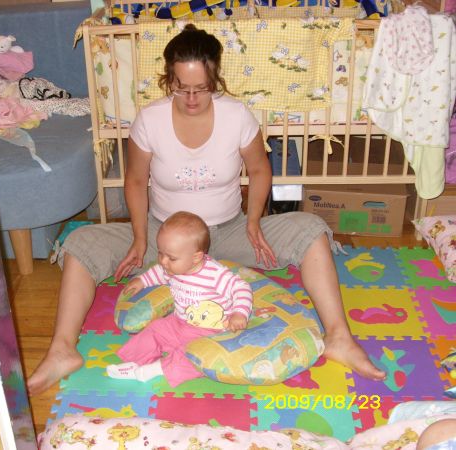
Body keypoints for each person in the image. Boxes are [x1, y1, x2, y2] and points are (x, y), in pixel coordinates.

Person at [27, 23, 386, 396]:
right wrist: (139, 238)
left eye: (201, 88)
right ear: (169, 79)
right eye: (181, 88)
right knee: (82, 243)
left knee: (310, 229)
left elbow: (260, 169)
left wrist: (254, 222)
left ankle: (339, 337)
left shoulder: (237, 115)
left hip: (228, 233)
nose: (191, 98)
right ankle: (62, 350)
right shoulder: (150, 119)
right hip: (165, 240)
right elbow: (134, 181)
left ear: (215, 79)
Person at [106, 211, 252, 387]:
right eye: (160, 253)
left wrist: (239, 313)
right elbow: (158, 272)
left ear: (196, 257)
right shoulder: (171, 267)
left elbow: (241, 288)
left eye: (171, 257)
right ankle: (136, 362)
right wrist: (142, 280)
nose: (163, 261)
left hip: (210, 332)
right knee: (154, 329)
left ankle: (157, 369)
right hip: (177, 323)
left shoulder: (215, 274)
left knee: (198, 357)